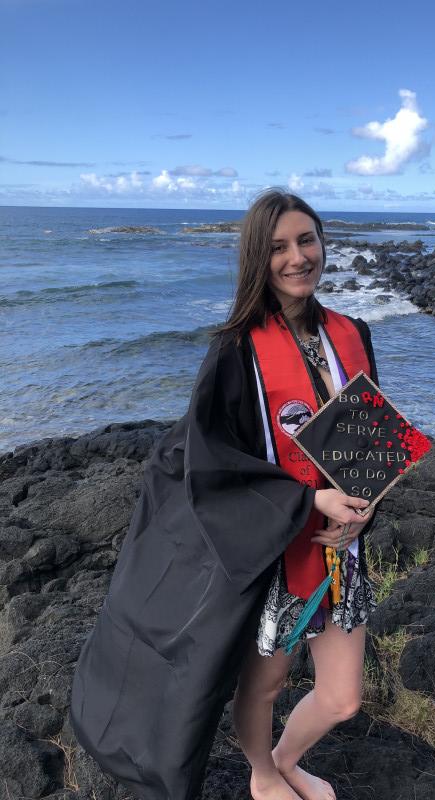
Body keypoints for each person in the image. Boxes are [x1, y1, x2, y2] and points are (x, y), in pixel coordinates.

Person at [69, 189, 380, 800]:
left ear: (323, 242)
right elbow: (210, 461)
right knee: (261, 688)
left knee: (343, 699)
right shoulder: (236, 349)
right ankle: (263, 776)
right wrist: (307, 502)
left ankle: (288, 758)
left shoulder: (354, 333)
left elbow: (365, 436)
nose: (297, 258)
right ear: (255, 260)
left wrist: (365, 507)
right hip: (272, 554)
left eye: (307, 240)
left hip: (341, 552)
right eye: (278, 248)